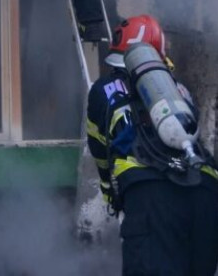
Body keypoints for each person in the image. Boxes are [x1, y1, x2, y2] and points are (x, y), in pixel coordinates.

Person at [87, 14, 218, 275]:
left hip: (151, 193)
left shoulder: (102, 89)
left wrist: (110, 192)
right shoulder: (178, 90)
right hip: (205, 186)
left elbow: (100, 149)